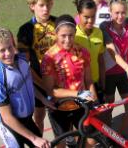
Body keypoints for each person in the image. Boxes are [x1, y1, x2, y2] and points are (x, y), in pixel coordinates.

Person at [0, 26, 50, 148]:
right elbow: (7, 117)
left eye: (10, 47)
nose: (8, 53)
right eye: (2, 50)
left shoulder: (22, 58)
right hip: (12, 127)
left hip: (28, 120)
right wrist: (34, 138)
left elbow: (27, 84)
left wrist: (43, 98)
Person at [41, 15, 97, 146]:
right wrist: (77, 93)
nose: (67, 40)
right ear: (56, 34)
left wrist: (93, 95)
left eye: (71, 35)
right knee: (60, 144)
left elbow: (88, 80)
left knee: (90, 141)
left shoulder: (83, 52)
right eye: (63, 36)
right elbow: (51, 91)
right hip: (60, 108)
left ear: (75, 33)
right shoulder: (49, 58)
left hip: (81, 105)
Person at [99, 0, 128, 135]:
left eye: (123, 12)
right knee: (107, 110)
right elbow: (112, 51)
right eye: (117, 13)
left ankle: (118, 136)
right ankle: (107, 136)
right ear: (110, 12)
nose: (120, 16)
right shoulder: (104, 27)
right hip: (109, 74)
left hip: (125, 72)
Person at [17, 0, 56, 134]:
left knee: (63, 113)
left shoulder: (58, 22)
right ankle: (39, 140)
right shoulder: (25, 29)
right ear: (32, 6)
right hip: (38, 80)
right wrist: (44, 86)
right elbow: (23, 65)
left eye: (48, 4)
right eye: (41, 5)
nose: (46, 9)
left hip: (59, 78)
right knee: (39, 115)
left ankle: (69, 139)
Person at [74, 0, 105, 103]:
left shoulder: (99, 33)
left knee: (101, 116)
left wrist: (103, 82)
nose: (90, 21)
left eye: (93, 16)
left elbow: (100, 60)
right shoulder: (73, 36)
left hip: (96, 83)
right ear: (78, 15)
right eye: (86, 17)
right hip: (80, 86)